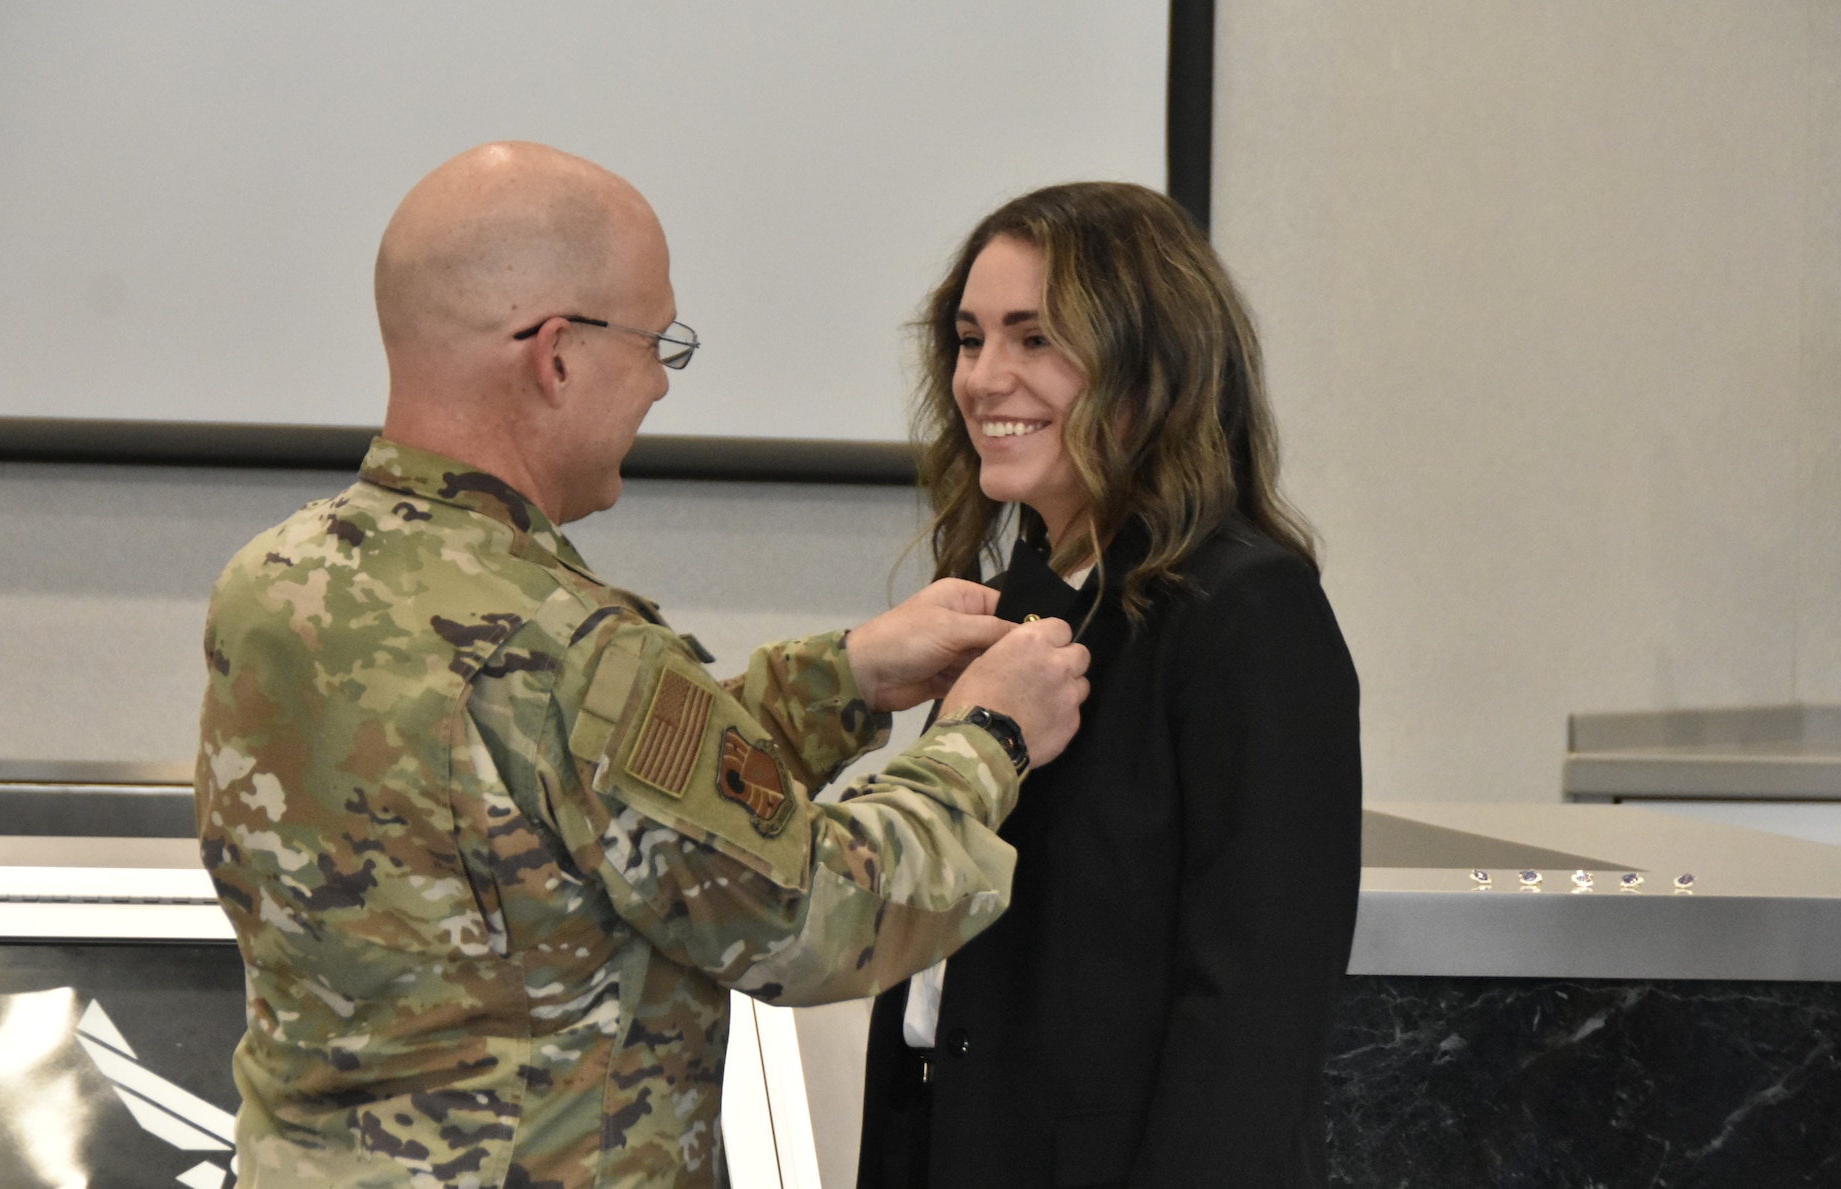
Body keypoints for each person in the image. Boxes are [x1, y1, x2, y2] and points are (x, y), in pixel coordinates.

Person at [195, 141, 1090, 1189]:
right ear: (557, 355)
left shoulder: (276, 581)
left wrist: (840, 678)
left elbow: (568, 796)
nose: (661, 382)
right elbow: (816, 916)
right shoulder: (565, 649)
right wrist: (984, 738)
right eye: (655, 341)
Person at [855, 183, 1363, 1188]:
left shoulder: (1248, 610)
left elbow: (1251, 1014)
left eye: (1033, 338)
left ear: (1152, 364)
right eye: (967, 338)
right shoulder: (1010, 603)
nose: (983, 378)